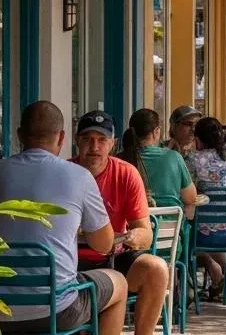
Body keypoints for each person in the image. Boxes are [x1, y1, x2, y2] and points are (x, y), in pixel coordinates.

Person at [0, 101, 127, 335]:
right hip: (57, 311)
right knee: (119, 283)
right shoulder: (79, 177)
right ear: (62, 137)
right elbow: (104, 244)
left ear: (19, 135)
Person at [72, 111, 169, 335]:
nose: (94, 146)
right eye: (87, 139)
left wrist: (133, 236)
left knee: (157, 269)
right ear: (77, 142)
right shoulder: (65, 172)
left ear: (113, 144)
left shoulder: (126, 173)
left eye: (101, 140)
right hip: (72, 260)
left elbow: (146, 233)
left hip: (115, 255)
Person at [186, 116, 226, 300]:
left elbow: (184, 190)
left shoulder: (193, 160)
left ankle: (191, 288)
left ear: (198, 139)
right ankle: (221, 277)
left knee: (183, 235)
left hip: (205, 234)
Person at [119, 108, 197, 216]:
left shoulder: (118, 161)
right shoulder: (174, 157)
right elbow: (191, 198)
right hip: (171, 229)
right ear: (156, 131)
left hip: (133, 229)